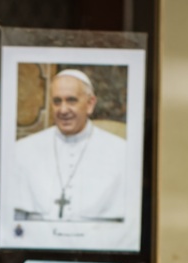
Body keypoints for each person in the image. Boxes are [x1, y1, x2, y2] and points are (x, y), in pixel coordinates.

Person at [12, 69, 127, 222]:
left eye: (71, 100)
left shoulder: (122, 151)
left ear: (90, 104)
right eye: (57, 101)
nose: (63, 110)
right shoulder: (22, 150)